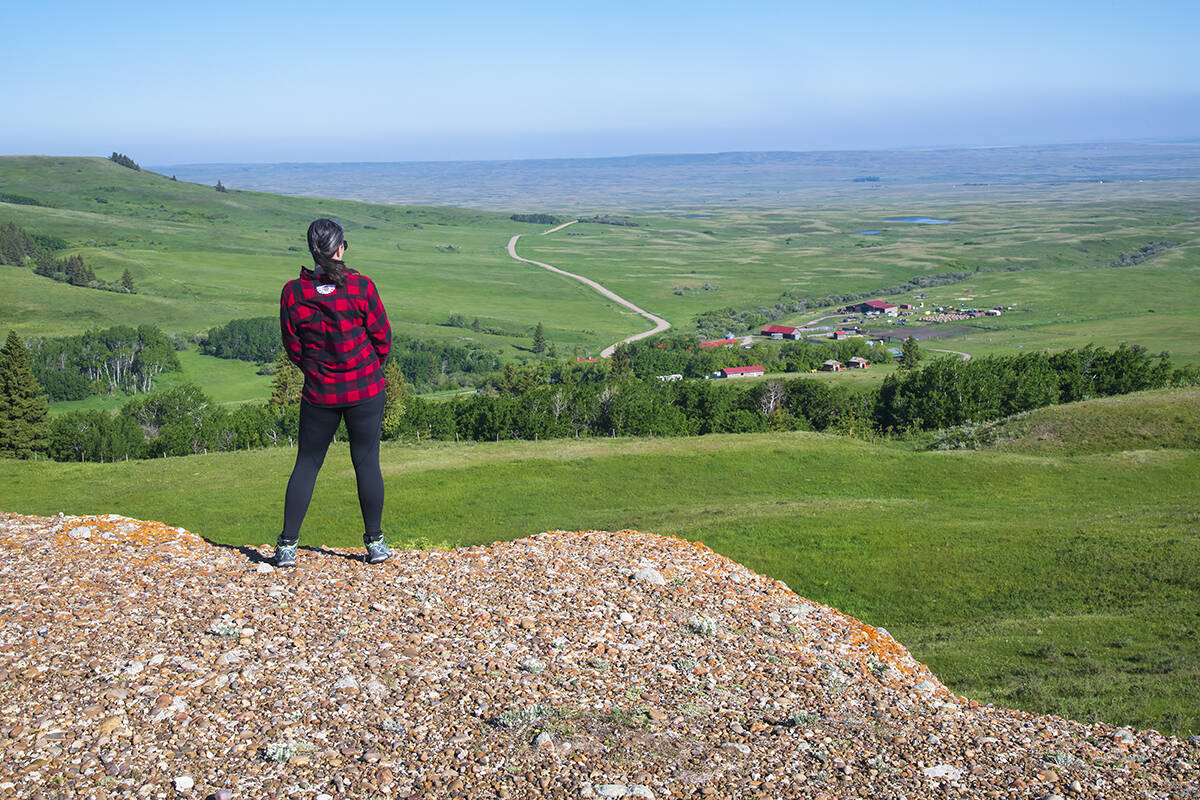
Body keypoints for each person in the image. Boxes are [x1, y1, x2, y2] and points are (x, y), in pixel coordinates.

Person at [273, 218, 392, 567]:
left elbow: (292, 346)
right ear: (341, 248)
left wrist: (314, 370)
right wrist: (367, 366)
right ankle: (375, 544)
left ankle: (287, 548)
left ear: (313, 250)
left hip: (319, 392)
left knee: (307, 464)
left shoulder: (293, 293)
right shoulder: (361, 287)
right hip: (365, 388)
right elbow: (382, 339)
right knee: (367, 463)